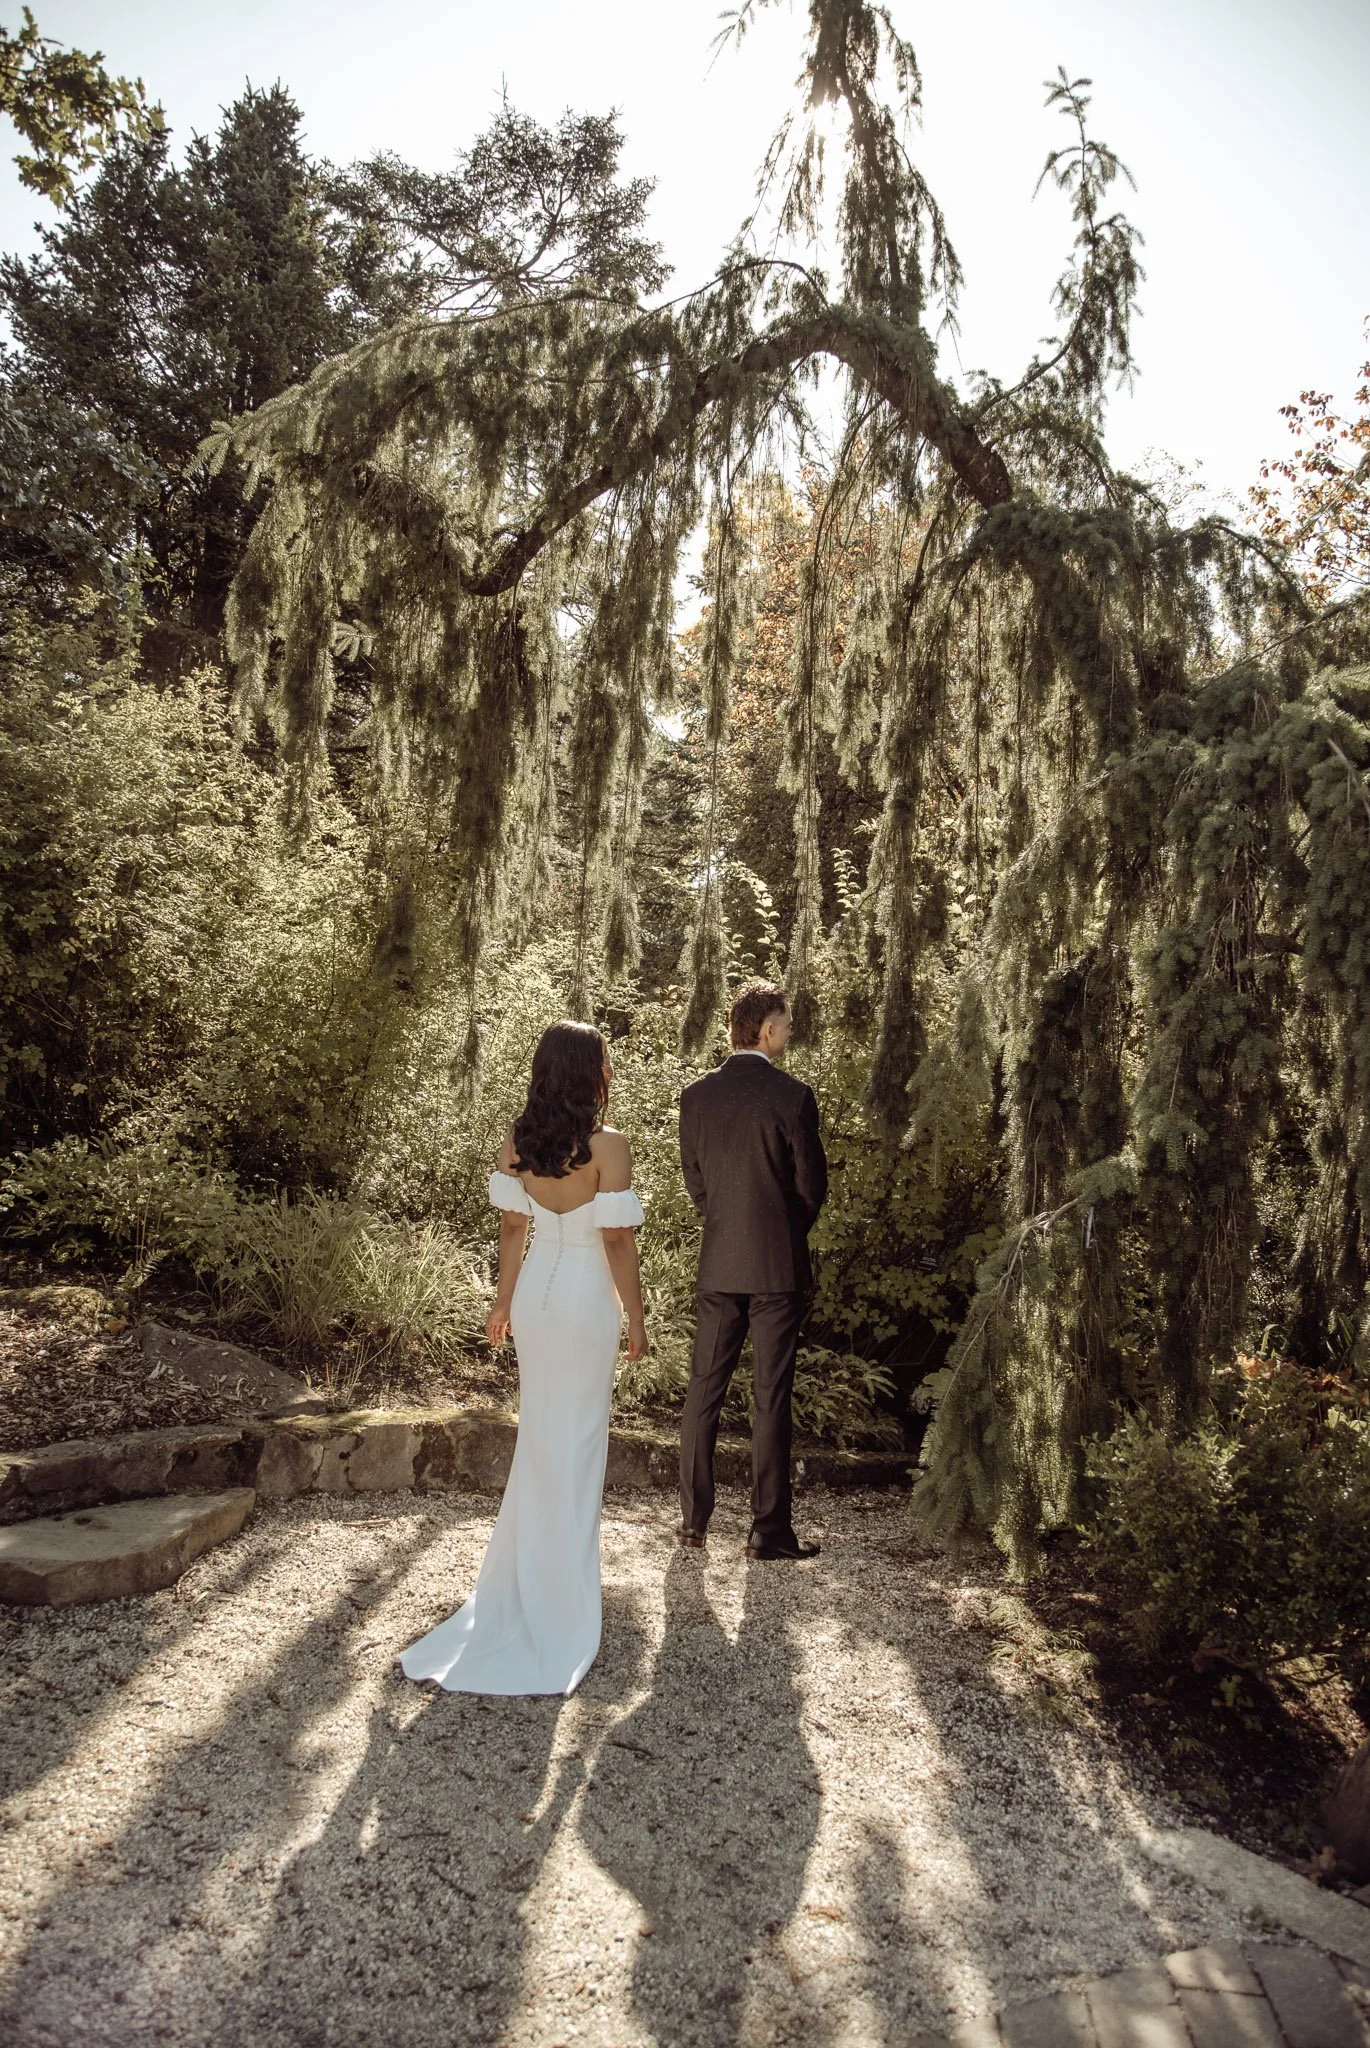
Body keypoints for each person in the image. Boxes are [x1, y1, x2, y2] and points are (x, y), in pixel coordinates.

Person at [398, 1021, 647, 1695]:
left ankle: (528, 1585)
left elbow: (514, 1228)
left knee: (541, 1438)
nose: (609, 1069)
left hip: (537, 1293)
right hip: (587, 1298)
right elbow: (617, 1242)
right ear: (589, 1071)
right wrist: (636, 1316)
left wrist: (502, 1303)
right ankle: (561, 1600)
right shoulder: (609, 1145)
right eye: (604, 1061)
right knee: (580, 1441)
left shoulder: (520, 1140)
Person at [677, 978, 828, 1561]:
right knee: (771, 1396)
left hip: (720, 1262)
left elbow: (697, 1184)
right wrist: (782, 1232)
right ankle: (767, 1533)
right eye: (785, 1025)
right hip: (777, 1268)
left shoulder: (695, 1097)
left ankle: (693, 1524)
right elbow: (811, 1188)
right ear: (767, 1030)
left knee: (703, 1391)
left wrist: (728, 1224)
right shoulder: (793, 1097)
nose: (788, 1034)